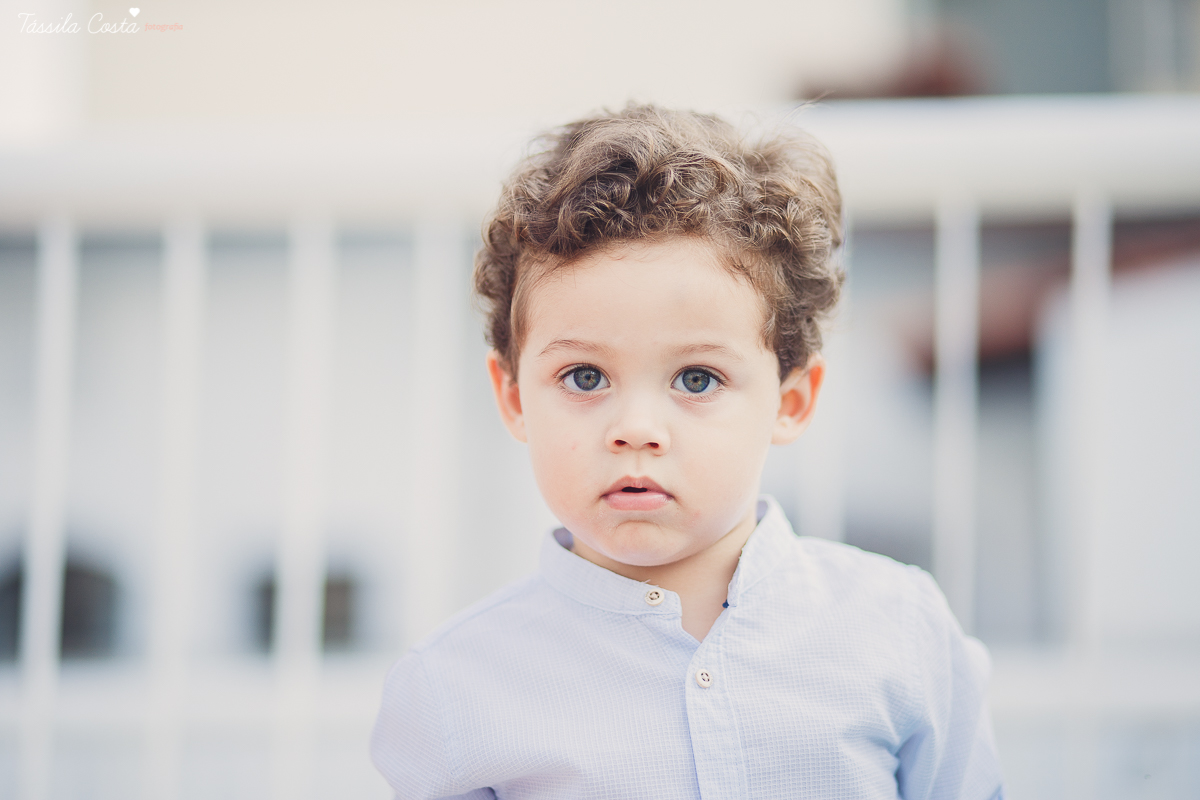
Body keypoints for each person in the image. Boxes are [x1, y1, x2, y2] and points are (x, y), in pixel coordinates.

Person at [371, 105, 1004, 799]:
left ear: (791, 400)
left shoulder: (898, 629)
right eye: (585, 377)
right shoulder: (455, 691)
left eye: (697, 379)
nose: (636, 429)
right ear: (515, 397)